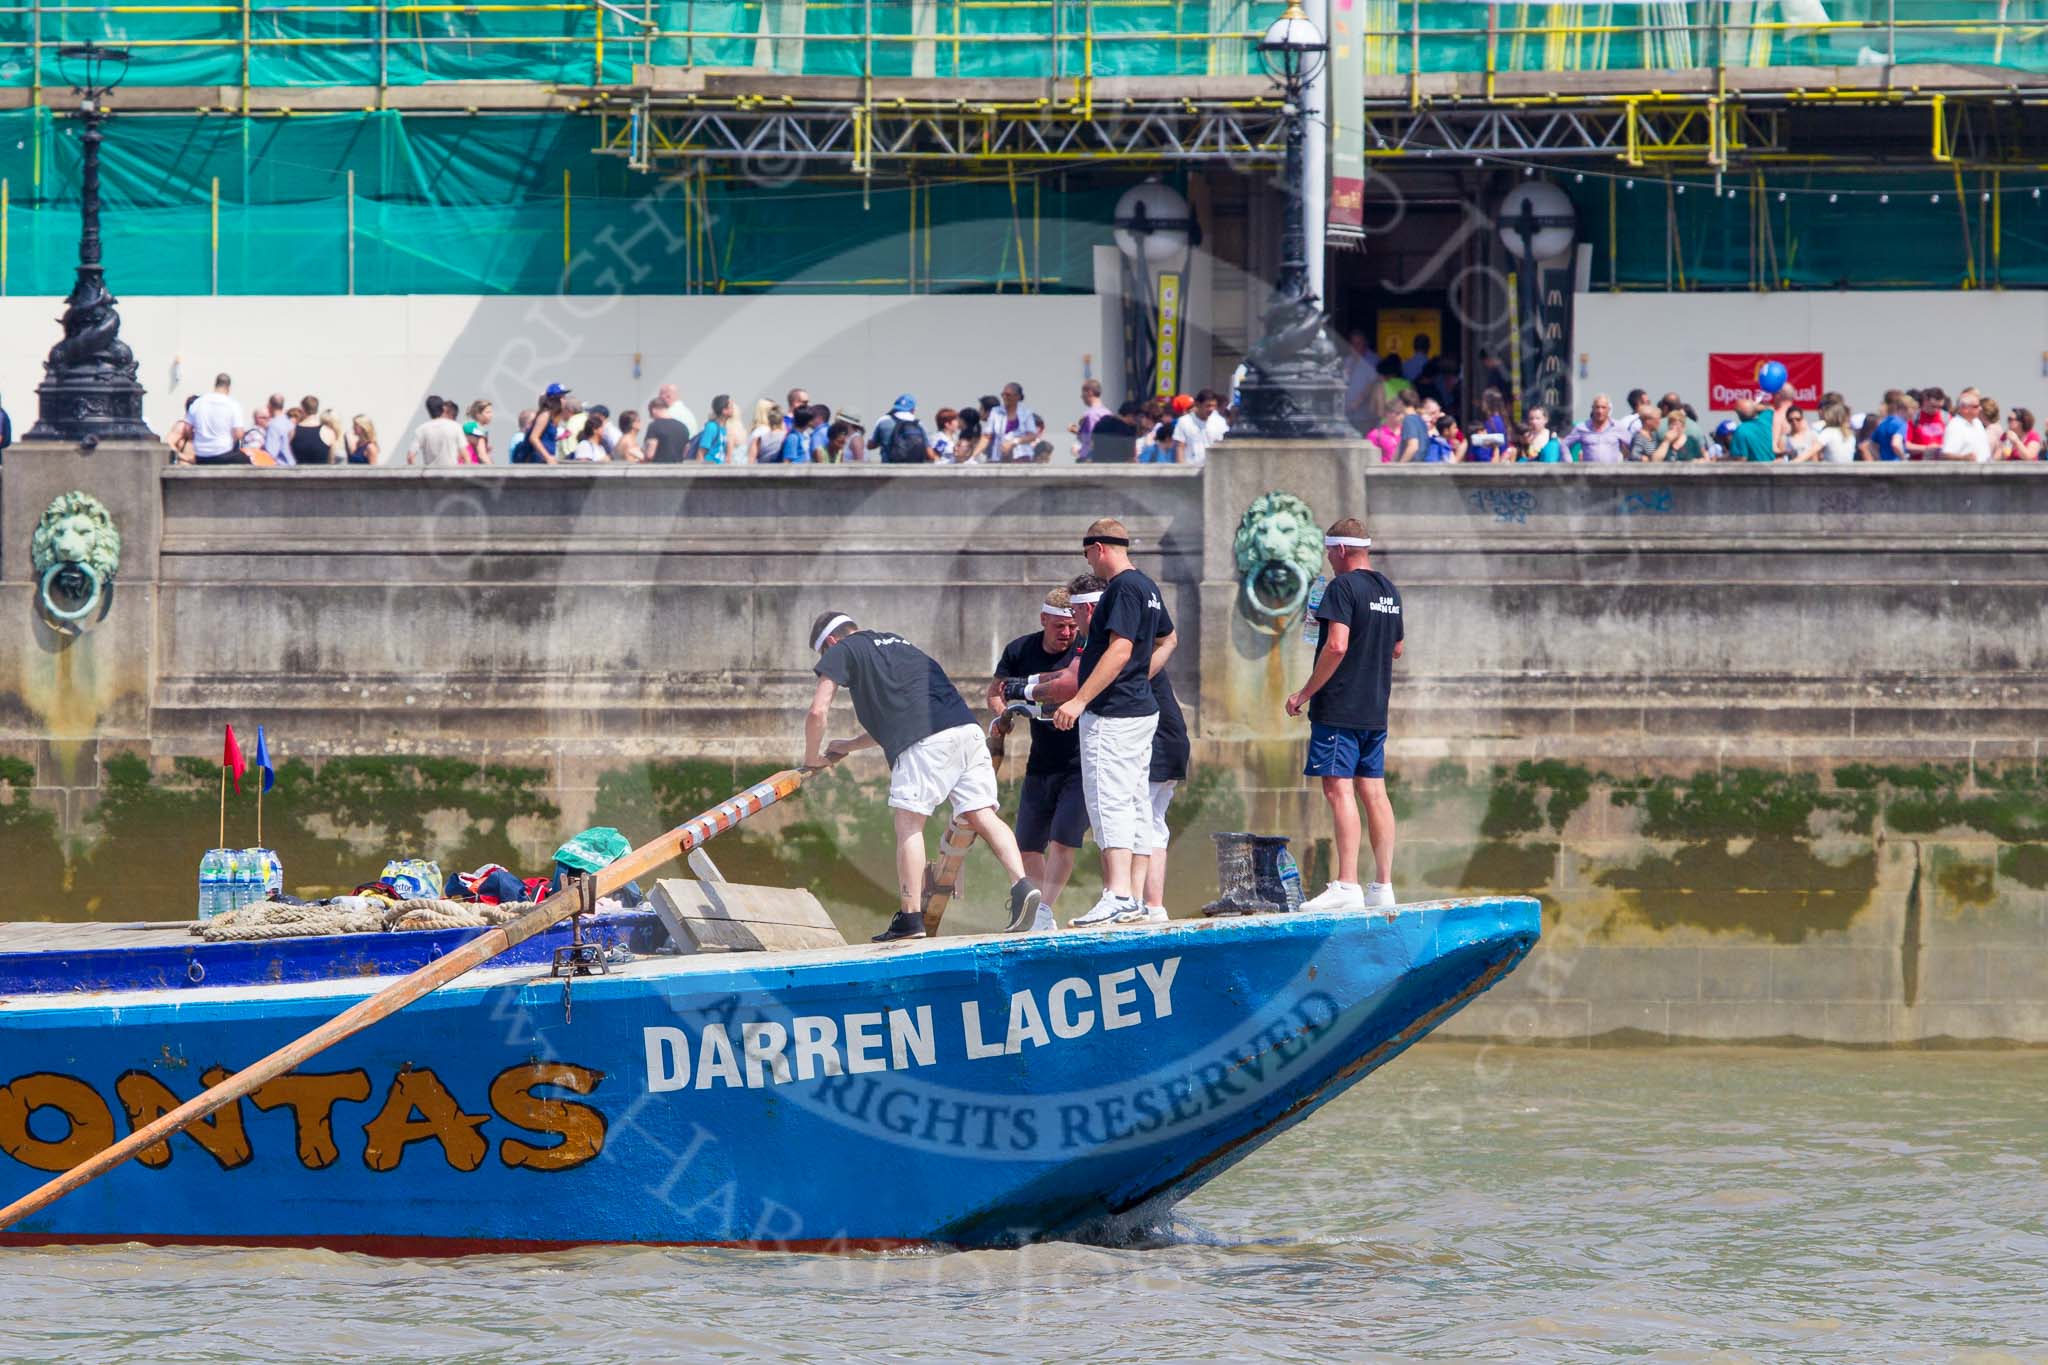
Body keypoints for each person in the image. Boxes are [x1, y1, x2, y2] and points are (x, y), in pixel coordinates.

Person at [806, 612, 1043, 942]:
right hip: (965, 732)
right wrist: (847, 745)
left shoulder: (842, 650)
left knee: (908, 825)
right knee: (982, 814)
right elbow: (899, 721)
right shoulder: (898, 643)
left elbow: (818, 710)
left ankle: (910, 917)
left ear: (830, 642)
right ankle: (1022, 886)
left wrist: (811, 758)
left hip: (924, 743)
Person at [1052, 518, 1175, 927]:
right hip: (1140, 709)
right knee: (1136, 802)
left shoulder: (1122, 588)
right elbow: (1166, 640)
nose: (1087, 560)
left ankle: (1117, 894)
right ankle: (1135, 898)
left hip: (1112, 713)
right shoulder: (1149, 588)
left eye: (1087, 552)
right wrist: (1142, 677)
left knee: (1108, 800)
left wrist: (1079, 699)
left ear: (1099, 548)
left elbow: (1120, 650)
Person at [1285, 518, 1403, 911]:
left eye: (1328, 552)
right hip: (1375, 706)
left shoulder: (1342, 586)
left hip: (1340, 705)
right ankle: (1382, 886)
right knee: (1373, 789)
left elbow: (1335, 645)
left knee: (1338, 788)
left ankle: (1347, 883)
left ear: (1339, 550)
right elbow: (1397, 648)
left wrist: (1304, 692)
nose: (1328, 560)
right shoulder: (1388, 588)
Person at [987, 586, 1089, 922]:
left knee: (1063, 840)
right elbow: (995, 693)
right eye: (1059, 626)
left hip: (1081, 760)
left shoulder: (1083, 648)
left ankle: (1044, 910)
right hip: (1041, 759)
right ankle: (1039, 914)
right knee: (1028, 844)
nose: (1067, 633)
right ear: (1043, 619)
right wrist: (1001, 715)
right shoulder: (1020, 649)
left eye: (1072, 625)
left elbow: (1069, 684)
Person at [188, 373, 248, 465]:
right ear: (228, 388)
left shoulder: (198, 402)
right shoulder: (232, 404)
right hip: (223, 454)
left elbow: (188, 429)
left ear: (215, 385)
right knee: (247, 461)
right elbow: (239, 434)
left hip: (201, 456)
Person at [989, 382, 1046, 463]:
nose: (1004, 397)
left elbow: (1032, 436)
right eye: (1003, 394)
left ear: (1017, 396)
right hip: (1000, 455)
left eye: (1008, 395)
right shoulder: (996, 412)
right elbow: (986, 436)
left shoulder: (1026, 413)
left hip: (1021, 456)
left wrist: (1014, 442)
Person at [1170, 389, 1228, 465]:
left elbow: (1224, 444)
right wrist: (1181, 469)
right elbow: (1180, 447)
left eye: (1214, 406)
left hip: (1213, 468)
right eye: (1208, 406)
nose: (1211, 409)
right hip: (1191, 468)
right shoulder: (1184, 422)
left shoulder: (1220, 422)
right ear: (1197, 404)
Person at [1565, 394, 1628, 464]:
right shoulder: (1582, 428)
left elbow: (1633, 444)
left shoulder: (1618, 427)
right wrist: (1568, 462)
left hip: (1612, 472)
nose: (1600, 411)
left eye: (1603, 407)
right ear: (1592, 408)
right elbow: (1565, 444)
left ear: (1609, 409)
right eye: (1597, 407)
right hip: (1589, 472)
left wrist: (1629, 465)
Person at [512, 384, 567, 463]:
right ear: (554, 399)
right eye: (562, 397)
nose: (565, 400)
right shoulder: (545, 415)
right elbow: (533, 437)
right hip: (537, 461)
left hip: (543, 460)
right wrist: (547, 457)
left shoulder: (553, 417)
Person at [406, 396, 467, 467]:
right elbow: (465, 456)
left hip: (430, 475)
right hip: (451, 474)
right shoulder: (455, 426)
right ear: (443, 408)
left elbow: (410, 457)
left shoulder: (421, 429)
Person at [872, 394, 931, 464]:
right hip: (913, 470)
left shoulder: (883, 421)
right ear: (913, 410)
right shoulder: (919, 425)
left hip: (888, 469)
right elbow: (929, 452)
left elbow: (871, 445)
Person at [1939, 387, 1992, 462]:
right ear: (1965, 408)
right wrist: (1963, 458)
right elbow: (1945, 454)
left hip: (1984, 469)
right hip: (1965, 472)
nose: (1980, 408)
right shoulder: (1955, 426)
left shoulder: (1977, 422)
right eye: (1976, 406)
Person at [1070, 378, 1113, 460]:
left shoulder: (1090, 415)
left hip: (1093, 460)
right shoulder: (1108, 413)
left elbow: (1088, 441)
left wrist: (1078, 453)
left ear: (1090, 392)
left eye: (1083, 393)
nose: (1081, 396)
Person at [289, 394, 338, 465]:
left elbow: (289, 456)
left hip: (299, 474)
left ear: (302, 409)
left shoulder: (293, 431)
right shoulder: (328, 433)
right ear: (317, 409)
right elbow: (332, 461)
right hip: (321, 474)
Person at [1863, 390, 1912, 462]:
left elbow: (1871, 445)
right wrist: (1904, 460)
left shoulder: (1882, 424)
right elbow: (1896, 444)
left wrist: (1880, 459)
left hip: (1885, 466)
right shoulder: (1900, 423)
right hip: (1898, 466)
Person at [642, 395, 694, 463]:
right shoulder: (683, 427)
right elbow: (686, 449)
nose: (650, 417)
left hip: (658, 470)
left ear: (653, 410)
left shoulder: (654, 426)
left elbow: (650, 454)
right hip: (679, 469)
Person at [1727, 398, 1779, 462]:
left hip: (1756, 471)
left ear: (1738, 414)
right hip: (1774, 469)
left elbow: (1740, 459)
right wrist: (1754, 406)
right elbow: (1770, 408)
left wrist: (1719, 459)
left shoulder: (1741, 431)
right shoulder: (1767, 419)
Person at [1393, 388, 1430, 463]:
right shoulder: (1420, 420)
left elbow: (1413, 446)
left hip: (1412, 467)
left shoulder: (1409, 420)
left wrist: (1399, 466)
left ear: (1400, 402)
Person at [463, 399, 494, 464]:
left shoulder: (475, 428)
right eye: (487, 412)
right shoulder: (474, 428)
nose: (491, 415)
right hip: (471, 466)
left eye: (491, 412)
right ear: (478, 414)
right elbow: (482, 455)